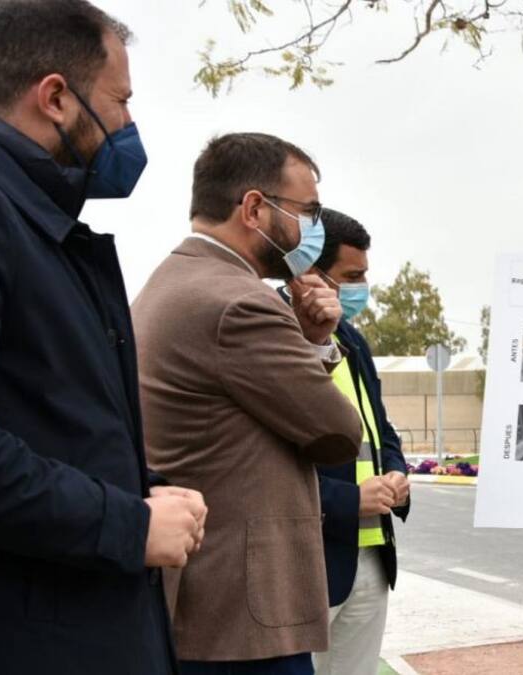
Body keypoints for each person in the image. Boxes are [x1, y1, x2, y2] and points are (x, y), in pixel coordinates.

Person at [0, 2, 208, 673]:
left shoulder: (38, 222)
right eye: (119, 100)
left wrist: (142, 490)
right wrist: (128, 525)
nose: (127, 124)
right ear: (56, 97)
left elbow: (54, 421)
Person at [132, 133, 365, 675]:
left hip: (198, 604)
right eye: (307, 212)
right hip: (242, 622)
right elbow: (336, 433)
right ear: (255, 208)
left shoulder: (170, 281)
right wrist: (314, 343)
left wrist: (304, 342)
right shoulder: (240, 303)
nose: (313, 230)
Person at [295, 209, 411, 675]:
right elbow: (265, 458)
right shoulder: (274, 331)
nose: (363, 286)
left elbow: (379, 426)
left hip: (370, 555)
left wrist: (399, 471)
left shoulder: (352, 339)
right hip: (311, 559)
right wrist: (348, 501)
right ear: (309, 276)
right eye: (352, 276)